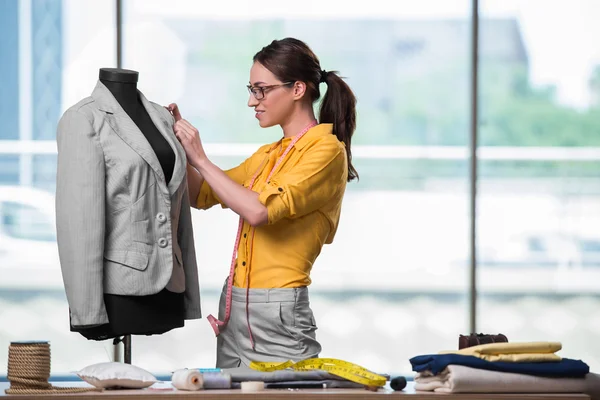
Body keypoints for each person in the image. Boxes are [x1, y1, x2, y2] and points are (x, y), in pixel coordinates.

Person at [166, 37, 358, 368]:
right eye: (251, 89)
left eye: (261, 90)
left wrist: (201, 158)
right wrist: (175, 141)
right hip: (235, 304)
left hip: (278, 311)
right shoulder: (269, 154)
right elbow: (201, 194)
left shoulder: (326, 152)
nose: (252, 101)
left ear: (298, 89)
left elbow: (258, 210)